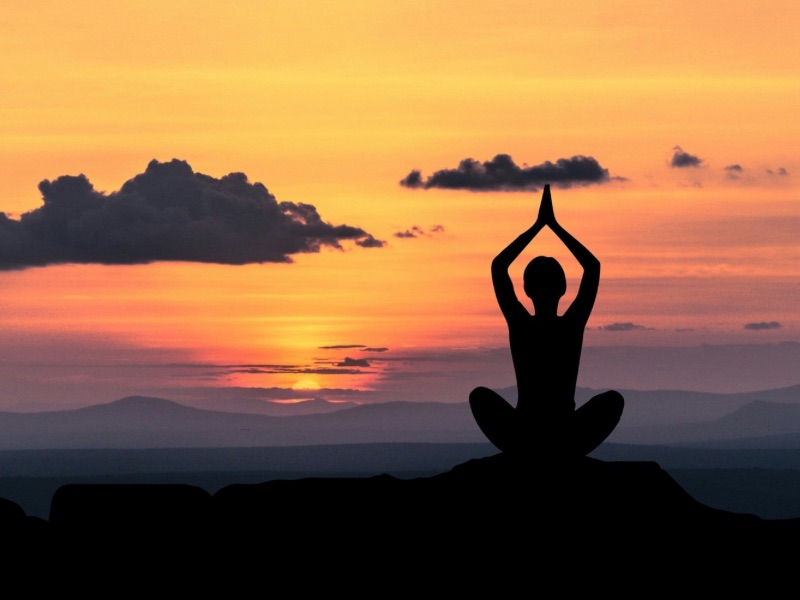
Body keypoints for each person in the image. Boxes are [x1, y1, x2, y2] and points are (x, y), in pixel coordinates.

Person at [469, 184, 623, 460]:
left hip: (525, 432)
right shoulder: (571, 324)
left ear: (526, 289)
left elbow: (498, 266)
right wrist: (553, 226)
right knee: (613, 401)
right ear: (563, 288)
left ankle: (532, 452)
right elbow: (592, 267)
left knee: (479, 397)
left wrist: (539, 226)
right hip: (564, 433)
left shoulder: (521, 323)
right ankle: (557, 452)